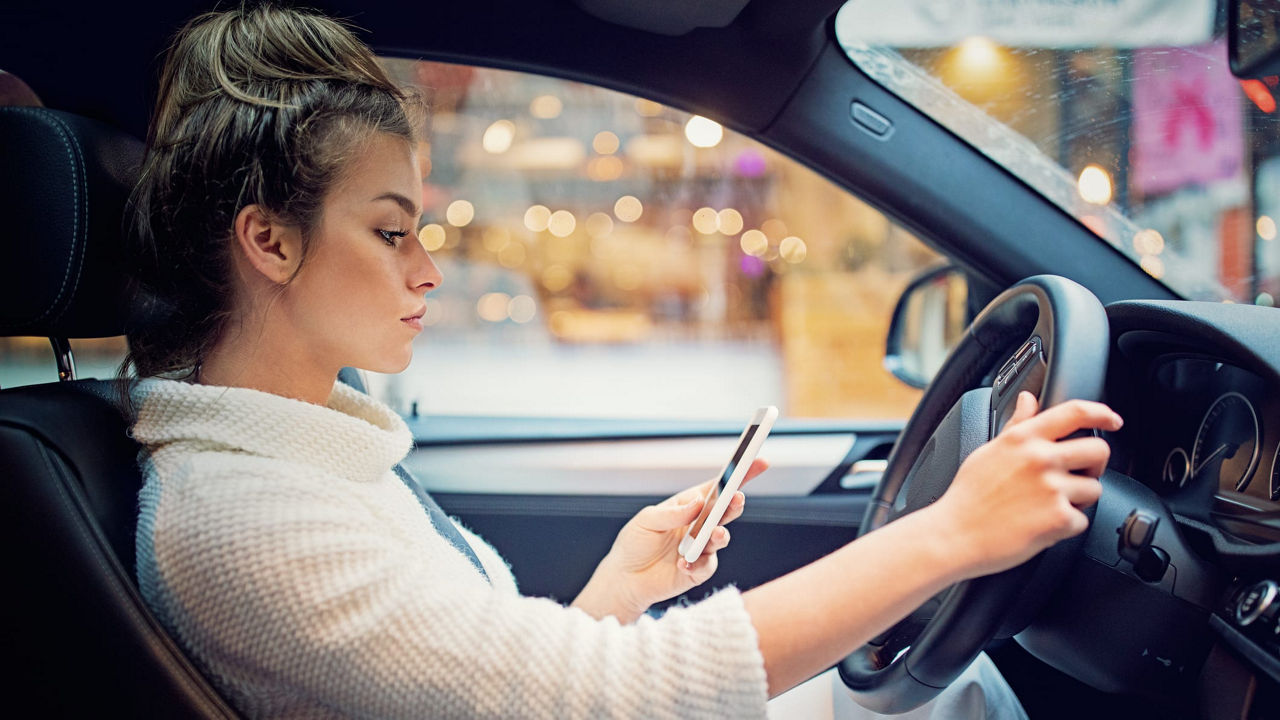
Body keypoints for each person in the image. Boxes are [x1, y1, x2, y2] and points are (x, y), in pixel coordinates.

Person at [124, 4, 1123, 719]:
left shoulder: (301, 465)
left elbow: (489, 686)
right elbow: (602, 699)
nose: (428, 270)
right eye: (391, 233)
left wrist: (619, 588)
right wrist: (948, 535)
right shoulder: (243, 519)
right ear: (269, 242)